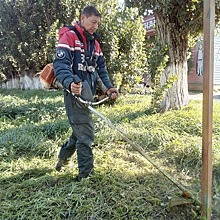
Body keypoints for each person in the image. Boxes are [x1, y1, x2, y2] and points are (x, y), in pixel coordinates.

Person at [53, 5, 118, 181]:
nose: (95, 26)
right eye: (92, 22)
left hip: (87, 94)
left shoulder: (95, 44)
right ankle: (85, 176)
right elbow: (61, 65)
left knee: (79, 131)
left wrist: (109, 88)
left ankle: (62, 160)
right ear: (83, 19)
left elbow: (101, 70)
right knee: (86, 133)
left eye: (98, 23)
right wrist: (69, 82)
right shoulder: (69, 37)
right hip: (74, 93)